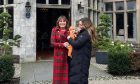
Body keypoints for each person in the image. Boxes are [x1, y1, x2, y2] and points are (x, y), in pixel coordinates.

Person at [67, 17, 96, 84]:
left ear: (86, 25)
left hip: (81, 61)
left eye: (81, 24)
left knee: (79, 79)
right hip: (79, 60)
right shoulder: (83, 33)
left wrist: (69, 38)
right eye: (79, 24)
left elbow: (77, 44)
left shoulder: (86, 34)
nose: (79, 26)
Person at [50, 15, 69, 84]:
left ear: (66, 22)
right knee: (57, 74)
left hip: (66, 55)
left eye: (64, 21)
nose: (62, 23)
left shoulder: (69, 30)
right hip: (58, 55)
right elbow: (52, 43)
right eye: (60, 21)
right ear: (58, 22)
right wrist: (62, 44)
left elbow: (71, 41)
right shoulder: (54, 30)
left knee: (66, 72)